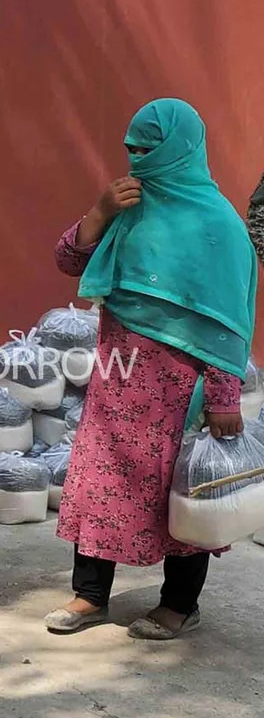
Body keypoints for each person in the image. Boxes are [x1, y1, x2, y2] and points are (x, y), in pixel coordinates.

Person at [45, 98, 256, 639]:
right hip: (117, 379)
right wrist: (100, 212)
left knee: (181, 492)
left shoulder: (220, 226)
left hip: (180, 388)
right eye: (130, 148)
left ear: (179, 149)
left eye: (148, 148)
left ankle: (179, 603)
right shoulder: (128, 205)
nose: (136, 158)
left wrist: (224, 397)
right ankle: (90, 596)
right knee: (100, 483)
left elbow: (227, 322)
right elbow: (70, 261)